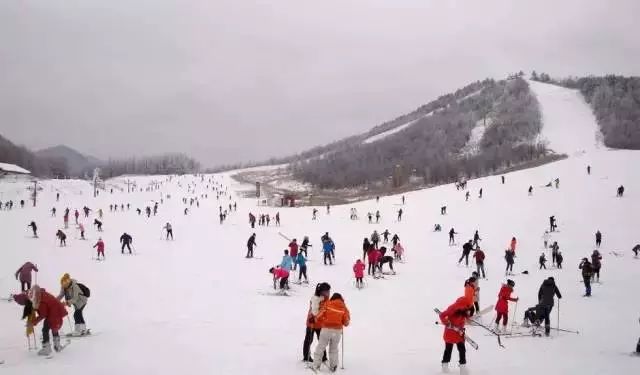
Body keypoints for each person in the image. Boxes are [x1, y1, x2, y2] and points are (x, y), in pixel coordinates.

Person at [311, 293, 350, 372]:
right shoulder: (344, 308)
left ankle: (316, 365)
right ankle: (334, 366)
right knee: (334, 349)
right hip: (337, 331)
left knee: (321, 347)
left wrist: (314, 319)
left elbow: (320, 314)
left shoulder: (328, 304)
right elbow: (346, 323)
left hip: (326, 329)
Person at [27, 285, 68, 355]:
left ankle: (47, 348)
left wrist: (33, 322)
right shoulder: (42, 295)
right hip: (54, 312)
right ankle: (57, 345)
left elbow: (43, 314)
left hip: (54, 314)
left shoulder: (41, 300)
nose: (32, 299)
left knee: (45, 329)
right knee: (53, 328)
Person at [439, 296, 472, 374]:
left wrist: (468, 318)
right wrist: (447, 323)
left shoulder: (464, 310)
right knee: (448, 350)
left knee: (462, 350)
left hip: (459, 334)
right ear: (463, 305)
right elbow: (442, 315)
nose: (467, 309)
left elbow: (464, 317)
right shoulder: (452, 308)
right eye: (467, 307)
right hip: (450, 333)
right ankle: (445, 367)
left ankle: (463, 368)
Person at [302, 283, 331, 363]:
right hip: (311, 322)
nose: (328, 292)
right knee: (309, 340)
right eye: (327, 291)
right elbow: (315, 312)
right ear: (321, 291)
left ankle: (324, 357)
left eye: (329, 290)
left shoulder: (326, 298)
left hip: (320, 323)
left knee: (322, 340)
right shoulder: (315, 298)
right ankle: (306, 357)